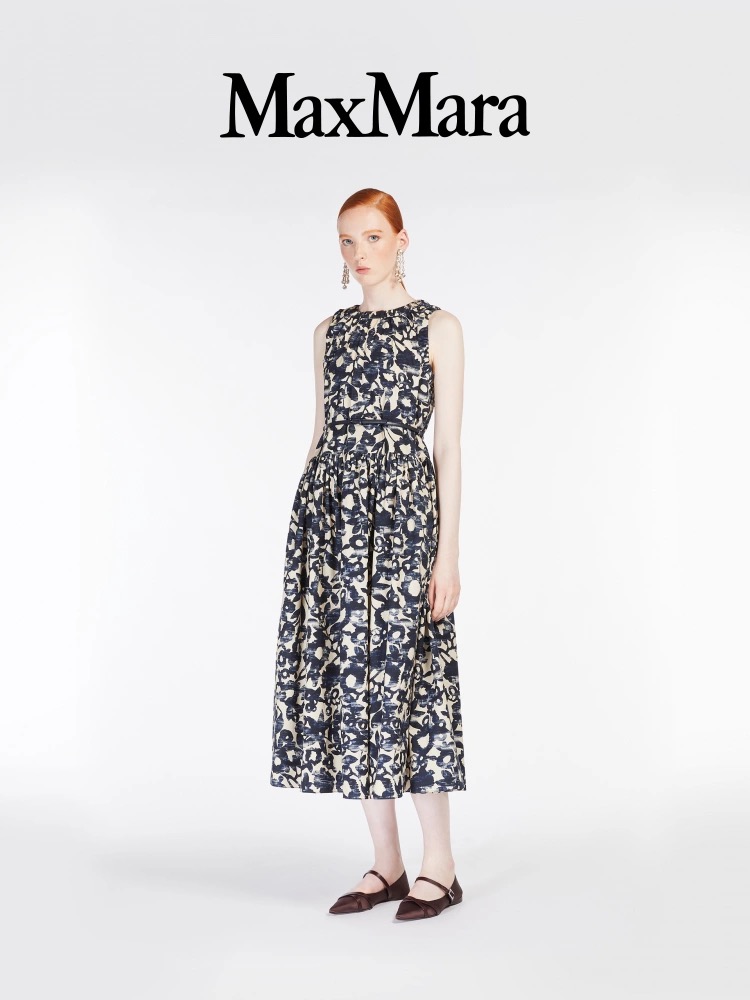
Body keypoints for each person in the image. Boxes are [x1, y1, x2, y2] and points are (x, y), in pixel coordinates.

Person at [270, 187, 467, 921]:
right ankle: (386, 863)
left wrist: (447, 556)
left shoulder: (438, 327)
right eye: (347, 241)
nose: (359, 253)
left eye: (373, 237)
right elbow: (321, 435)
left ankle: (440, 866)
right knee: (351, 681)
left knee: (411, 682)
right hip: (332, 525)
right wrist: (307, 539)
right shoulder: (329, 332)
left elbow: (447, 448)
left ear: (401, 240)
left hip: (406, 522)